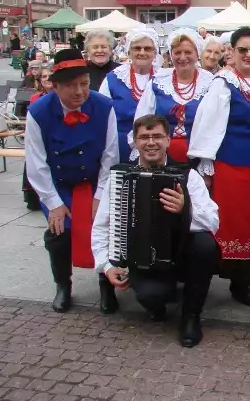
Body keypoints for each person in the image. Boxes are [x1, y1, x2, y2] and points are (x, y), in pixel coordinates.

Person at [91, 114, 220, 348]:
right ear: (135, 142)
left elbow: (213, 221)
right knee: (153, 297)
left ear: (168, 140)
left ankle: (191, 316)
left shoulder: (188, 176)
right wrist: (107, 266)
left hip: (180, 254)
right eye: (144, 137)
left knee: (206, 246)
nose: (151, 142)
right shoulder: (120, 178)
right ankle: (159, 297)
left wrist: (185, 209)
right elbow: (101, 226)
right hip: (143, 258)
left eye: (157, 136)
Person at [24, 49, 120, 314]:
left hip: (95, 183)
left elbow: (110, 157)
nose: (79, 92)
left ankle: (106, 284)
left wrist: (102, 196)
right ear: (55, 86)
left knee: (105, 228)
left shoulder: (104, 106)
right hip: (59, 185)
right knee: (59, 234)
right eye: (71, 86)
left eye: (84, 84)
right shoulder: (38, 112)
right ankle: (63, 285)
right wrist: (52, 202)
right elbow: (36, 162)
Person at [188, 26, 250, 307]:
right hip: (232, 165)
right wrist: (206, 167)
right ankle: (238, 282)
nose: (248, 55)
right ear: (231, 52)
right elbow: (207, 126)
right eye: (242, 50)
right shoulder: (223, 83)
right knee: (236, 224)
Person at [132, 28, 215, 164]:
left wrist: (206, 162)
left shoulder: (210, 82)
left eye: (188, 52)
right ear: (171, 54)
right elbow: (141, 119)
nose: (182, 57)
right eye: (177, 52)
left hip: (198, 157)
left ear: (197, 53)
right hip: (159, 157)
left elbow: (212, 126)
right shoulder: (158, 81)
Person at [100, 27, 161, 163]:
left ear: (155, 52)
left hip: (156, 148)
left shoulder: (163, 78)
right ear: (129, 51)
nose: (142, 52)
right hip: (120, 147)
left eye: (147, 48)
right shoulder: (113, 79)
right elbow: (101, 116)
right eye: (137, 48)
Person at [22, 63, 54, 211]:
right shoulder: (36, 97)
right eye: (44, 76)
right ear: (40, 80)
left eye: (50, 76)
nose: (47, 79)